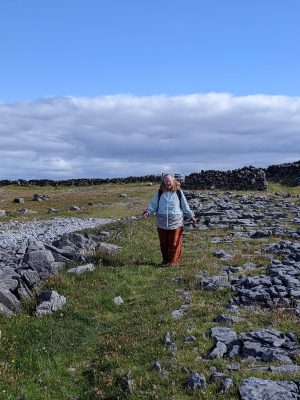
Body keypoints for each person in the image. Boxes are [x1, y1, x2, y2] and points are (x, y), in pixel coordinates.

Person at [143, 174, 196, 266]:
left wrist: (191, 216)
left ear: (173, 181)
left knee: (174, 243)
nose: (168, 183)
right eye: (166, 181)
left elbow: (185, 206)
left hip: (176, 222)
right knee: (164, 243)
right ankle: (165, 261)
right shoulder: (160, 192)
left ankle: (172, 263)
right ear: (163, 182)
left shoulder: (178, 192)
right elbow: (153, 204)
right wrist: (148, 212)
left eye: (169, 181)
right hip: (162, 222)